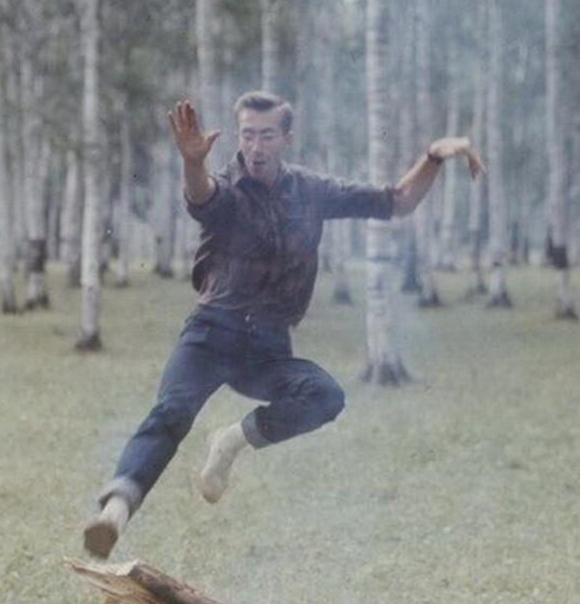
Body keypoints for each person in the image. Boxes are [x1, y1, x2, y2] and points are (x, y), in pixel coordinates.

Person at [83, 91, 485, 558]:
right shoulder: (227, 187)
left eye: (266, 135)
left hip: (268, 347)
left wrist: (434, 157)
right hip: (211, 333)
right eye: (247, 135)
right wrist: (192, 162)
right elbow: (202, 197)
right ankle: (114, 512)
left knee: (326, 395)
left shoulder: (310, 191)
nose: (255, 146)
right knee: (171, 412)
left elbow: (395, 203)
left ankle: (231, 441)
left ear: (285, 138)